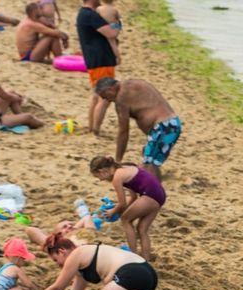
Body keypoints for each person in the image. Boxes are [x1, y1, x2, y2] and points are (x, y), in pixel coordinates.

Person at [38, 235, 165, 290]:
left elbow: (56, 288)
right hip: (148, 274)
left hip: (132, 274)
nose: (58, 265)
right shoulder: (83, 261)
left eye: (56, 260)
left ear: (62, 251)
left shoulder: (75, 255)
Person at [93, 77, 182, 180]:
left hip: (163, 127)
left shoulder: (121, 99)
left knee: (149, 164)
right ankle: (156, 187)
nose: (107, 100)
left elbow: (123, 132)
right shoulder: (133, 83)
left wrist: (118, 160)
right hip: (172, 124)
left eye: (105, 96)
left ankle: (153, 192)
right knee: (151, 161)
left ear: (110, 89)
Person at [89, 155, 164, 261]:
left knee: (125, 220)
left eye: (98, 176)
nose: (100, 180)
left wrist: (112, 212)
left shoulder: (117, 178)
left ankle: (133, 256)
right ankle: (145, 261)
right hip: (159, 194)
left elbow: (122, 203)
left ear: (102, 171)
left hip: (150, 195)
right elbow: (133, 198)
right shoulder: (124, 168)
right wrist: (117, 207)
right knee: (142, 229)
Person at [76, 0, 121, 134]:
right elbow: (112, 33)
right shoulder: (90, 15)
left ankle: (92, 127)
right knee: (105, 97)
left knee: (96, 95)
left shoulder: (84, 14)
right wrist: (118, 22)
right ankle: (95, 129)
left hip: (94, 59)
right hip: (101, 60)